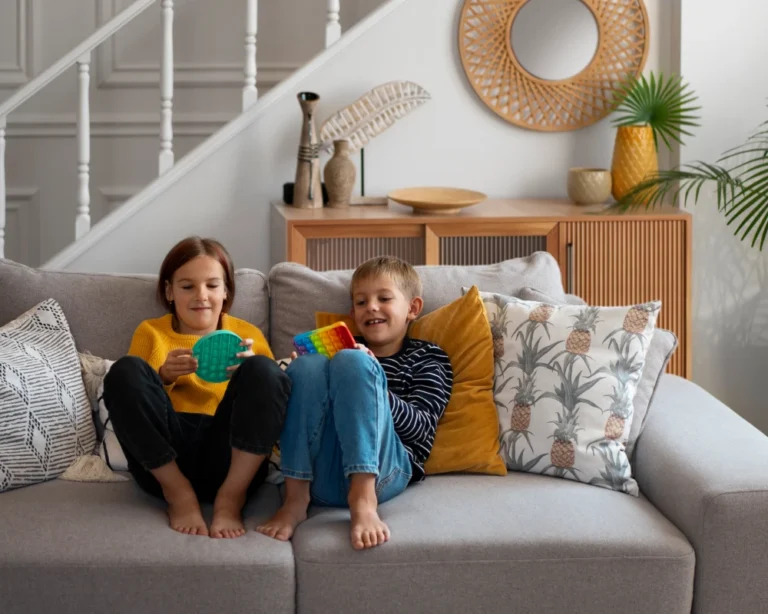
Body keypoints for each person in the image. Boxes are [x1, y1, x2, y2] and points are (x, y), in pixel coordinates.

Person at [257, 256, 453, 550]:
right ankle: (295, 499)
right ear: (353, 312)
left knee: (353, 362)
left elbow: (422, 429)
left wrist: (375, 386)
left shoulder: (428, 357)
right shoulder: (335, 353)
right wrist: (297, 380)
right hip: (319, 476)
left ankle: (363, 499)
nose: (371, 307)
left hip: (385, 472)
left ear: (413, 308)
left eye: (384, 298)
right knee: (308, 366)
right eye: (361, 302)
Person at [103, 237, 290, 539]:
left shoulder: (247, 334)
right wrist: (163, 376)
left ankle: (231, 498)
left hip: (231, 455)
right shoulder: (151, 332)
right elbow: (133, 404)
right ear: (170, 291)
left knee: (264, 370)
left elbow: (274, 406)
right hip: (166, 456)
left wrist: (251, 373)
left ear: (226, 290)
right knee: (125, 370)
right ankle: (178, 494)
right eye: (188, 286)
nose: (201, 296)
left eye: (212, 285)